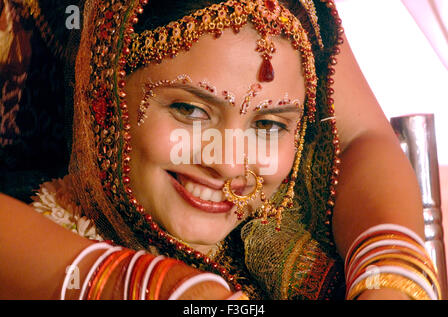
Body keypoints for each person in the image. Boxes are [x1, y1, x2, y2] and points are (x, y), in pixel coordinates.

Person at [0, 0, 441, 300]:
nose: (229, 162)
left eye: (268, 123)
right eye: (190, 111)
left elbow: (357, 135)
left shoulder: (302, 257)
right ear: (103, 98)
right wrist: (144, 283)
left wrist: (391, 276)